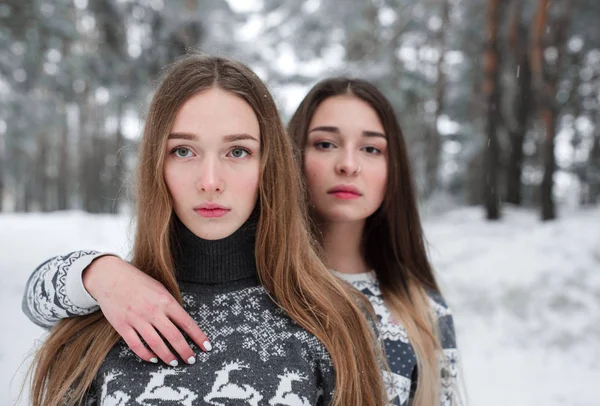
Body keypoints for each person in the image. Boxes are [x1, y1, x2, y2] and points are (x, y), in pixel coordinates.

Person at [25, 55, 387, 406]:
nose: (210, 182)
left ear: (268, 164)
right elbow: (34, 300)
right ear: (156, 164)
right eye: (183, 151)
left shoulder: (334, 321)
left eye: (237, 152)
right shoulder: (112, 311)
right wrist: (97, 273)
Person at [288, 77, 463, 406]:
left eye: (371, 149)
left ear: (392, 169)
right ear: (293, 155)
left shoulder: (425, 315)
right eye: (325, 144)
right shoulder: (251, 289)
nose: (348, 165)